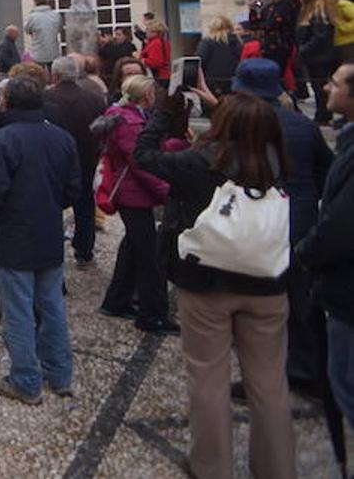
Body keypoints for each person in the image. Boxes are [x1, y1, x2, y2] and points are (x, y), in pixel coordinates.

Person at [132, 93, 297, 479]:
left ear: (222, 125)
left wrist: (164, 112)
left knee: (207, 377)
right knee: (270, 383)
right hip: (266, 279)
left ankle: (211, 466)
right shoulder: (276, 160)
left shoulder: (201, 161)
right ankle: (277, 468)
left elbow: (143, 154)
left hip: (208, 281)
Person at [0, 76, 80, 404]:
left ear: (7, 102)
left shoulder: (2, 140)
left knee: (18, 310)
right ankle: (60, 374)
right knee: (52, 306)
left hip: (13, 236)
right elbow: (73, 189)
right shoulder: (61, 138)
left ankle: (25, 380)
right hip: (48, 233)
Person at [231, 59, 333, 399]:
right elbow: (326, 171)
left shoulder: (243, 127)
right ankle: (307, 370)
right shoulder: (302, 124)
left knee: (261, 307)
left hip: (260, 223)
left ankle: (261, 378)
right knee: (299, 299)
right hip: (300, 218)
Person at [297, 61, 354, 423]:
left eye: (334, 84)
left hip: (346, 288)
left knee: (346, 383)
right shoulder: (339, 138)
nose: (326, 89)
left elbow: (341, 226)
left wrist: (307, 252)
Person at [97, 75, 177, 334]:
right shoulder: (129, 122)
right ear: (147, 96)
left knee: (133, 248)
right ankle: (152, 315)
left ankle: (116, 300)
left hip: (133, 192)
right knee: (149, 257)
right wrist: (167, 190)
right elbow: (141, 163)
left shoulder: (127, 116)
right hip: (133, 194)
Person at [44, 57, 106, 269]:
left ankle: (53, 253)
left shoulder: (46, 97)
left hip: (54, 160)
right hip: (86, 157)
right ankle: (84, 251)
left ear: (55, 75)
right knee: (85, 205)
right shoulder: (95, 98)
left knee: (52, 206)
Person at [298, 0, 340, 125]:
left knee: (320, 88)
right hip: (329, 55)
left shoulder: (317, 12)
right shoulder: (327, 10)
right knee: (327, 87)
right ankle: (329, 115)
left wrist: (303, 50)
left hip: (319, 58)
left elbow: (320, 37)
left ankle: (323, 116)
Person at [254, 0, 302, 78]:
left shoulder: (287, 5)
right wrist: (253, 11)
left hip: (281, 46)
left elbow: (272, 25)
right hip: (267, 46)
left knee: (278, 74)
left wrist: (262, 25)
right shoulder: (268, 7)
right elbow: (256, 24)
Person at [196, 15, 242, 98]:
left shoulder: (207, 42)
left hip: (212, 83)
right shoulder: (237, 41)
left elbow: (200, 62)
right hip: (233, 82)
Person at [23, 0, 63, 69]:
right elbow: (59, 29)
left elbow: (27, 30)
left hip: (37, 54)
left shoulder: (32, 17)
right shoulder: (56, 15)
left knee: (39, 77)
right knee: (54, 76)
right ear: (47, 2)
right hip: (54, 53)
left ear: (35, 2)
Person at [140, 20, 171, 87]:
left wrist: (142, 60)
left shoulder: (155, 43)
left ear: (156, 32)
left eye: (148, 30)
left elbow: (156, 62)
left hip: (157, 77)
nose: (146, 32)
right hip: (164, 75)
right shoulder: (163, 42)